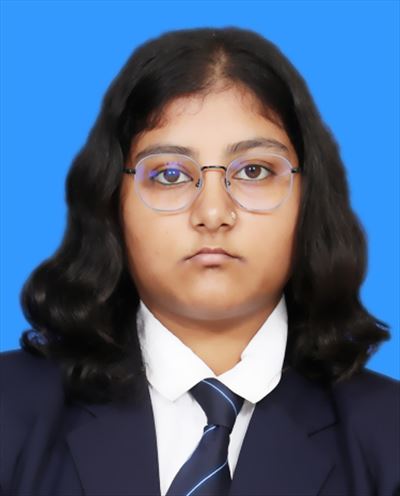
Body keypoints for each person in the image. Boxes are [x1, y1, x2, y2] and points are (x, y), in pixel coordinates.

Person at [0, 26, 399, 496]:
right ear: (111, 200)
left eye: (254, 171)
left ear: (309, 199)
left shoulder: (388, 433)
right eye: (169, 174)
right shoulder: (10, 411)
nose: (212, 213)